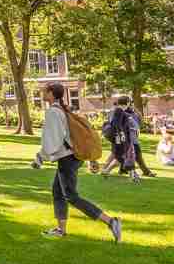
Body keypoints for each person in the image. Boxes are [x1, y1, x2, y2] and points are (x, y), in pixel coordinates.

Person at [34, 82, 122, 242]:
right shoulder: (63, 108)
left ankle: (111, 221)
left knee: (71, 196)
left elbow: (53, 140)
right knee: (57, 192)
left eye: (44, 91)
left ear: (51, 93)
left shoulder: (53, 112)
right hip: (72, 157)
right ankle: (61, 230)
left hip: (67, 158)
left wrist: (40, 157)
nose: (42, 93)